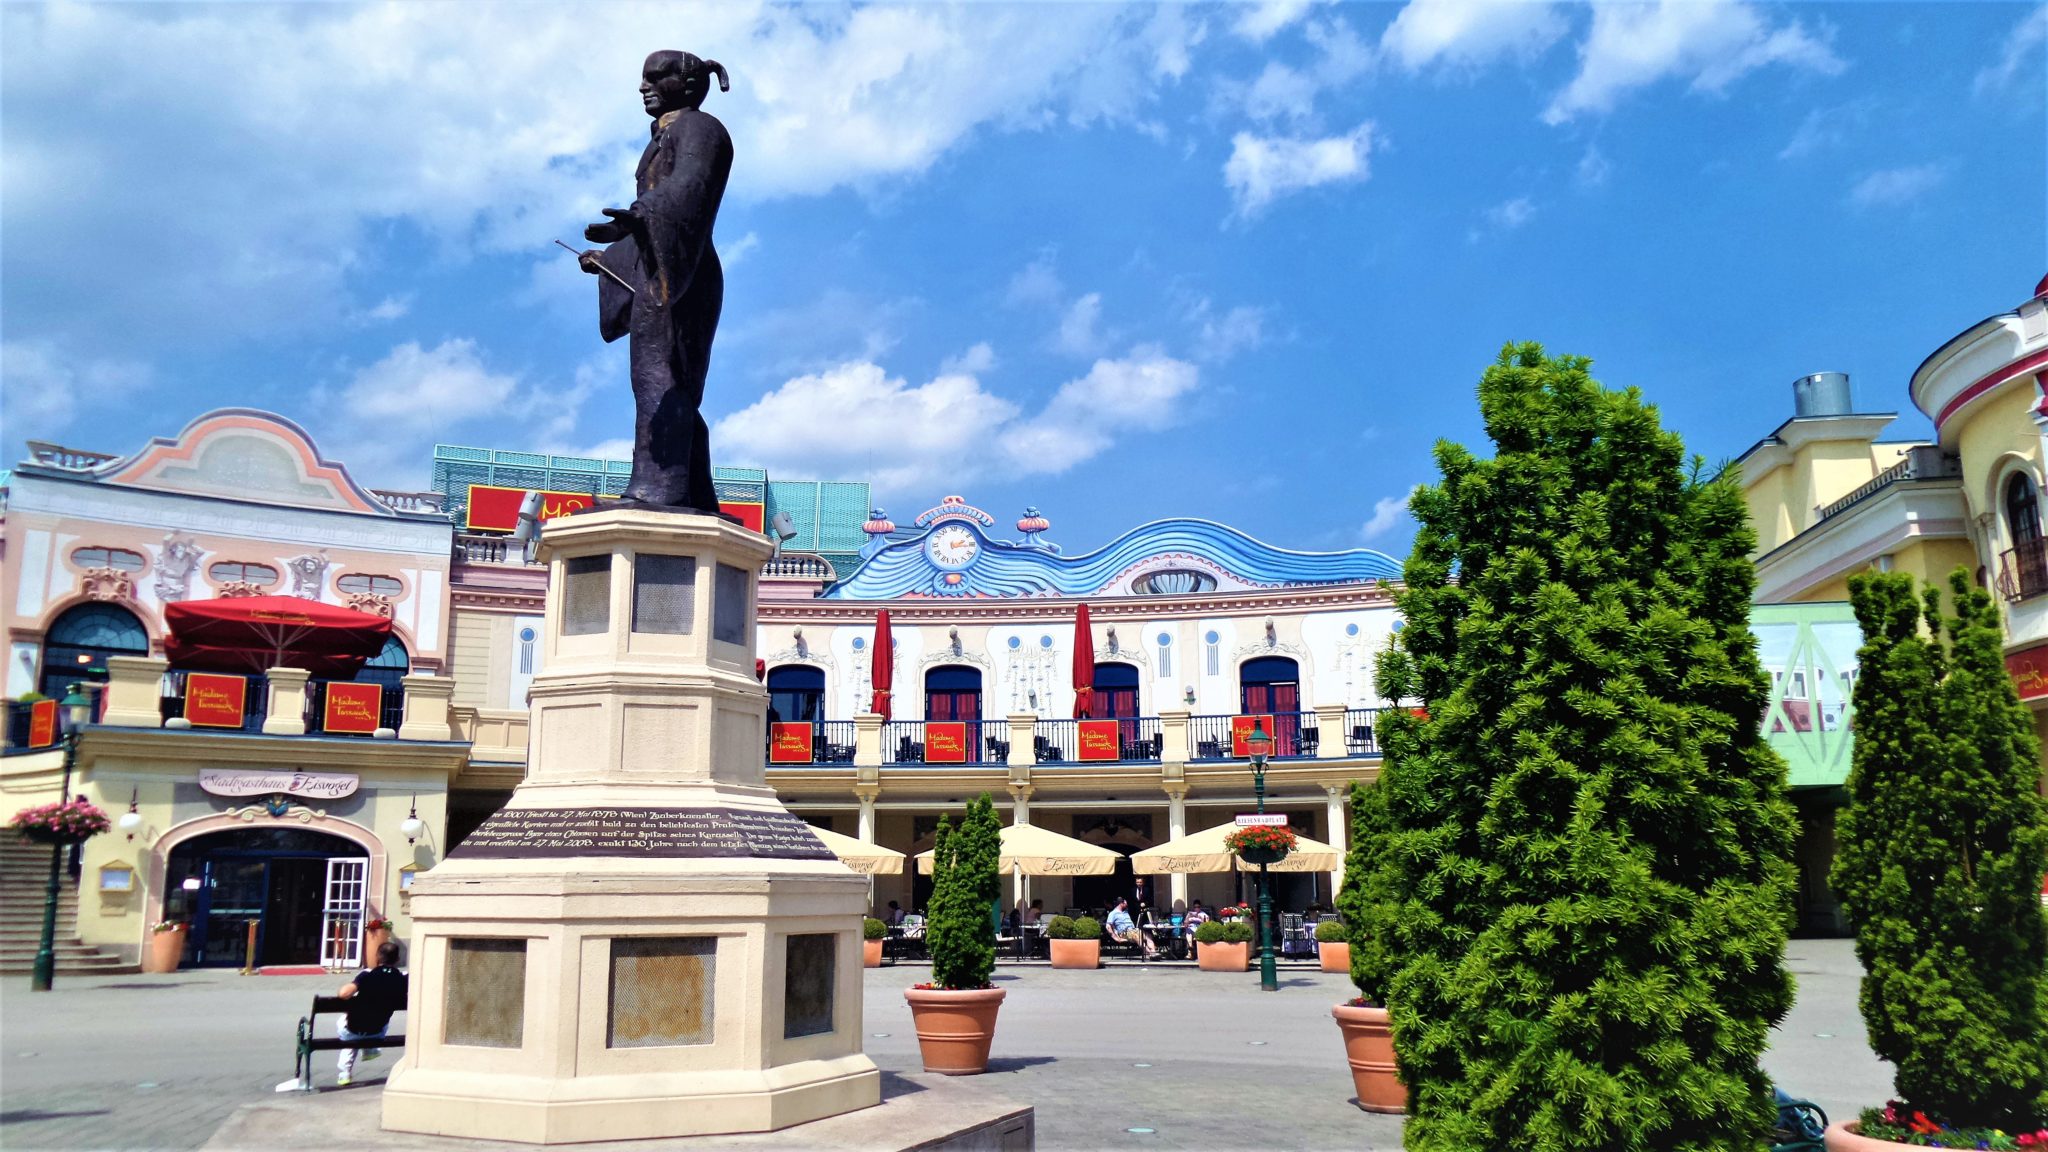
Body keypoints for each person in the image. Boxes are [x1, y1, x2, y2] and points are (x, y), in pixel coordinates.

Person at [335, 940, 407, 1087]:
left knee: (346, 1027)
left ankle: (344, 1074)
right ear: (398, 960)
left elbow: (343, 994)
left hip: (353, 1028)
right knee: (380, 1018)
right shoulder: (403, 977)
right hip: (377, 1030)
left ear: (377, 957)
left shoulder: (367, 974)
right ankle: (370, 1049)